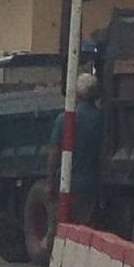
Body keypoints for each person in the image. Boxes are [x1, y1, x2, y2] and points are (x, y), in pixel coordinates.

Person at [46, 73, 104, 226]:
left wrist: (50, 182)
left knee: (60, 227)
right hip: (91, 185)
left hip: (67, 184)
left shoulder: (66, 119)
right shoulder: (101, 119)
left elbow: (54, 153)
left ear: (77, 93)